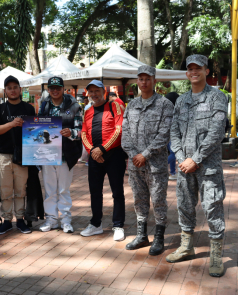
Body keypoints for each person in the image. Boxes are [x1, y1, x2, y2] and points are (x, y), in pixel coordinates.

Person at [168, 54, 227, 277]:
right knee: (184, 205)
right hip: (185, 166)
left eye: (198, 68)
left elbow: (217, 131)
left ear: (206, 71)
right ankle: (186, 246)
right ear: (187, 73)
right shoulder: (181, 100)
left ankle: (216, 255)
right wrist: (182, 157)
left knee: (212, 207)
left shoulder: (216, 97)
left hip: (208, 166)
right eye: (190, 69)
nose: (194, 72)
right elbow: (174, 131)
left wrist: (196, 158)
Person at [121, 65, 174, 255]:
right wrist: (135, 154)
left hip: (156, 164)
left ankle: (159, 238)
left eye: (148, 79)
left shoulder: (165, 105)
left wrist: (145, 154)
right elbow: (125, 133)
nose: (144, 82)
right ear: (137, 81)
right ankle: (142, 236)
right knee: (139, 200)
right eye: (141, 79)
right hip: (135, 165)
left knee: (159, 200)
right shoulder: (132, 105)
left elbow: (164, 134)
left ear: (154, 81)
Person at [80, 80, 127, 241]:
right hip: (95, 157)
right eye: (91, 91)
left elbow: (119, 130)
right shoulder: (88, 111)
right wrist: (93, 152)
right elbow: (84, 133)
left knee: (117, 192)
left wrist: (103, 149)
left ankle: (118, 225)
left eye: (97, 91)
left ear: (104, 92)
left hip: (114, 155)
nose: (94, 94)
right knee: (95, 192)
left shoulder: (115, 106)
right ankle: (96, 224)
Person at [0, 75, 35, 235]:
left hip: (24, 154)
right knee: (6, 188)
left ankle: (20, 219)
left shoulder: (28, 108)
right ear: (5, 91)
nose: (13, 90)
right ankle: (7, 220)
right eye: (9, 88)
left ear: (20, 89)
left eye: (15, 87)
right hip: (3, 155)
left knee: (21, 188)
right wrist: (11, 124)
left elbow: (35, 132)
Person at [37, 77, 83, 233]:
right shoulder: (44, 106)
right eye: (52, 88)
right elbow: (38, 127)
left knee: (63, 189)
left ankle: (65, 220)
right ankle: (51, 219)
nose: (54, 91)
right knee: (49, 189)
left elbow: (81, 131)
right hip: (48, 153)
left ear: (63, 88)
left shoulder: (73, 106)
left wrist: (71, 132)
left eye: (57, 88)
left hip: (66, 153)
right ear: (48, 90)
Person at [166, 92, 180, 180]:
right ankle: (161, 166)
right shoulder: (175, 110)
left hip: (167, 136)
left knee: (172, 153)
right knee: (174, 154)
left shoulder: (165, 108)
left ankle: (172, 172)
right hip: (173, 135)